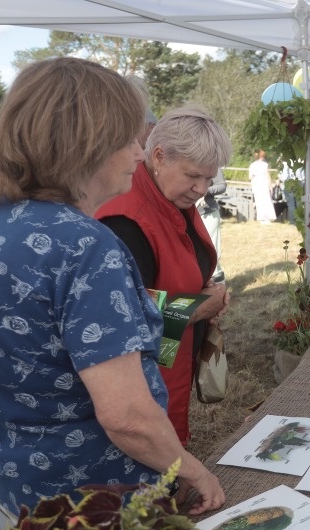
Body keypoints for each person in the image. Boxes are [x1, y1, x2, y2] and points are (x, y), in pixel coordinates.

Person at [0, 57, 225, 516]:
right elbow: (128, 418)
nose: (138, 153)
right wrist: (192, 470)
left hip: (25, 487)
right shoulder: (83, 244)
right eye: (130, 139)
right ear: (88, 144)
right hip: (102, 500)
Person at [96, 106, 231, 445]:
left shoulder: (170, 198)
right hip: (142, 383)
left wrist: (204, 289)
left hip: (170, 361)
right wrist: (201, 306)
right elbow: (130, 320)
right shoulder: (126, 221)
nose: (202, 189)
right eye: (193, 176)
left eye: (209, 179)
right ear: (158, 156)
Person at [197, 166, 227, 283]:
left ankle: (219, 289)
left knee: (210, 253)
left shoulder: (212, 162)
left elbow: (221, 186)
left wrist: (204, 191)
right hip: (188, 213)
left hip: (208, 213)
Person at [249, 149, 275, 224]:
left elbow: (250, 177)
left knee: (259, 200)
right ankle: (267, 218)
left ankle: (261, 218)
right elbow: (268, 175)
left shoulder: (252, 165)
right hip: (263, 182)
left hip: (256, 183)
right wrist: (270, 185)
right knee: (266, 200)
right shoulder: (264, 165)